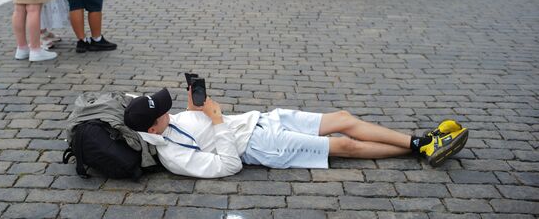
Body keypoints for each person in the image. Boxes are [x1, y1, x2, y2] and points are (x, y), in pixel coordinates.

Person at [124, 87, 469, 179]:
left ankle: (422, 141)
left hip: (264, 119)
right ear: (152, 128)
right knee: (344, 145)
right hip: (262, 145)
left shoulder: (173, 121)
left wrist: (198, 109)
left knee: (344, 117)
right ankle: (420, 147)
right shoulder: (173, 157)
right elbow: (228, 165)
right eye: (162, 111)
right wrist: (215, 120)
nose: (168, 110)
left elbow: (204, 124)